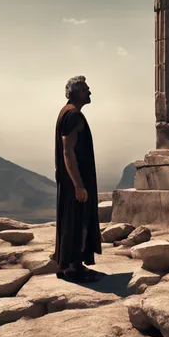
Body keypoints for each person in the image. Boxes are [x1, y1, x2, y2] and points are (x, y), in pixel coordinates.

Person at [53, 75, 103, 282]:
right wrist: (79, 184)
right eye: (85, 90)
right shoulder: (73, 115)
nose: (89, 92)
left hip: (70, 179)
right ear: (75, 93)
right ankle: (74, 269)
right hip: (75, 180)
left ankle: (70, 265)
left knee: (72, 221)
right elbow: (68, 151)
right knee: (78, 222)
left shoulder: (67, 112)